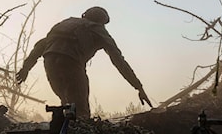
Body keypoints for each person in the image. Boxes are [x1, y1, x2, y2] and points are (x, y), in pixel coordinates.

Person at [16, 6, 152, 119]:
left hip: (50, 63)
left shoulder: (65, 23)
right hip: (71, 64)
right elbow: (118, 60)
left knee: (67, 104)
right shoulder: (97, 29)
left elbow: (40, 46)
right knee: (81, 112)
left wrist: (25, 68)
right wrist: (138, 86)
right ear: (102, 22)